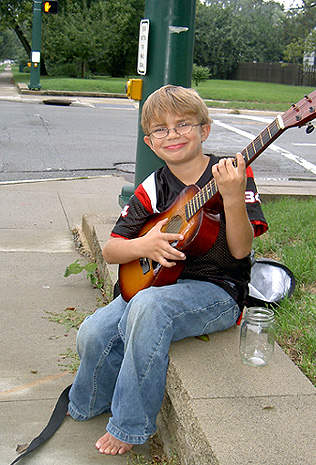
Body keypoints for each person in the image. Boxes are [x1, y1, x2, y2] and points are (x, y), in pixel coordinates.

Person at [68, 85, 268, 455]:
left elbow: (241, 249)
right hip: (155, 282)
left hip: (216, 290)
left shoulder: (232, 173)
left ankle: (129, 425)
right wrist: (144, 245)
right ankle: (89, 401)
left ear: (204, 130)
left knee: (150, 308)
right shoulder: (152, 187)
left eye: (183, 124)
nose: (172, 133)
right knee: (94, 330)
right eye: (161, 129)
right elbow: (113, 249)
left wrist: (234, 197)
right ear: (150, 142)